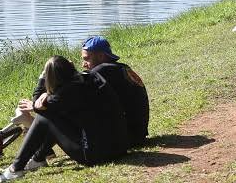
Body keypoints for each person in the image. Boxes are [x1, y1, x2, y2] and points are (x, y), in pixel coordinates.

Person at [0, 56, 128, 181]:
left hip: (96, 155)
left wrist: (42, 79)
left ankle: (15, 169)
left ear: (52, 78)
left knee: (45, 117)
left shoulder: (66, 93)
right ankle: (37, 159)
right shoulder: (91, 78)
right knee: (54, 115)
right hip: (120, 147)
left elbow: (38, 105)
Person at [81, 36, 150, 147]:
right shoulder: (121, 68)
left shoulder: (102, 70)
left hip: (128, 138)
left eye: (87, 59)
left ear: (101, 56)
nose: (84, 64)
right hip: (138, 134)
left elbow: (74, 90)